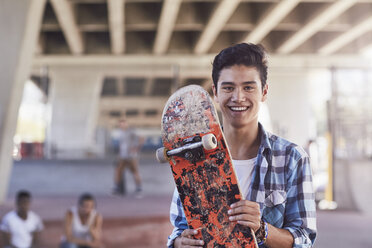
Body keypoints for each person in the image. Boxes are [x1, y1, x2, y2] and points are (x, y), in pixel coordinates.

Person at [167, 43, 317, 248]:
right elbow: (180, 228)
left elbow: (305, 240)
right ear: (215, 93)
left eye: (248, 87)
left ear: (264, 92)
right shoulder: (194, 155)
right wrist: (178, 243)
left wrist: (262, 229)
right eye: (228, 87)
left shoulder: (292, 158)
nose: (238, 97)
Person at [112, 118, 144, 196]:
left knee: (135, 171)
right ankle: (116, 187)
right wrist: (119, 154)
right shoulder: (121, 132)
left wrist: (135, 148)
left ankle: (139, 188)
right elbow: (122, 144)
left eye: (123, 123)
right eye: (120, 124)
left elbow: (141, 138)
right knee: (118, 170)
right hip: (123, 156)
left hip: (131, 156)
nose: (122, 125)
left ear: (126, 124)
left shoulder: (131, 131)